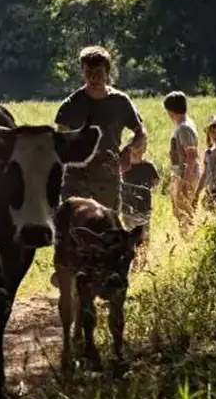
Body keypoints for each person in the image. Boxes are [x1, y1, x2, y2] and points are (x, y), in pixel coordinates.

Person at [54, 46, 148, 215]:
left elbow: (140, 132)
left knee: (106, 230)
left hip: (107, 178)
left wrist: (128, 150)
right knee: (77, 231)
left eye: (98, 72)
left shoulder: (120, 102)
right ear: (82, 72)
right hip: (76, 180)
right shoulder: (70, 106)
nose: (93, 77)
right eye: (88, 72)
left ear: (108, 72)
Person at [163, 90, 200, 233]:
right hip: (181, 174)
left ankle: (189, 240)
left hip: (186, 176)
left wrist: (185, 181)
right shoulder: (183, 125)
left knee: (184, 212)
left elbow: (191, 156)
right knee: (179, 211)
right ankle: (186, 238)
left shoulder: (184, 127)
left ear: (170, 111)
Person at [120, 143, 160, 271]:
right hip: (128, 207)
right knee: (130, 235)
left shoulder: (148, 166)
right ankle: (134, 262)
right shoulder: (125, 168)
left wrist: (147, 188)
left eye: (139, 150)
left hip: (144, 206)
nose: (136, 153)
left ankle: (141, 261)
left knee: (143, 235)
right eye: (133, 151)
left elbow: (156, 181)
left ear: (144, 150)